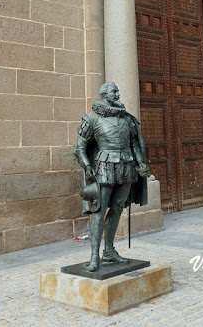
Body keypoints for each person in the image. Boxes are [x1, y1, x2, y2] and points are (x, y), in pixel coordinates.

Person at [74, 82, 150, 272]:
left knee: (117, 208)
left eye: (117, 90)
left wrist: (141, 164)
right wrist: (87, 166)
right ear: (104, 95)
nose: (118, 94)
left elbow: (134, 145)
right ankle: (94, 256)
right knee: (99, 211)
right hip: (104, 168)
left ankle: (109, 251)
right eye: (114, 91)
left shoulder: (127, 119)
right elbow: (79, 148)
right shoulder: (92, 119)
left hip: (126, 166)